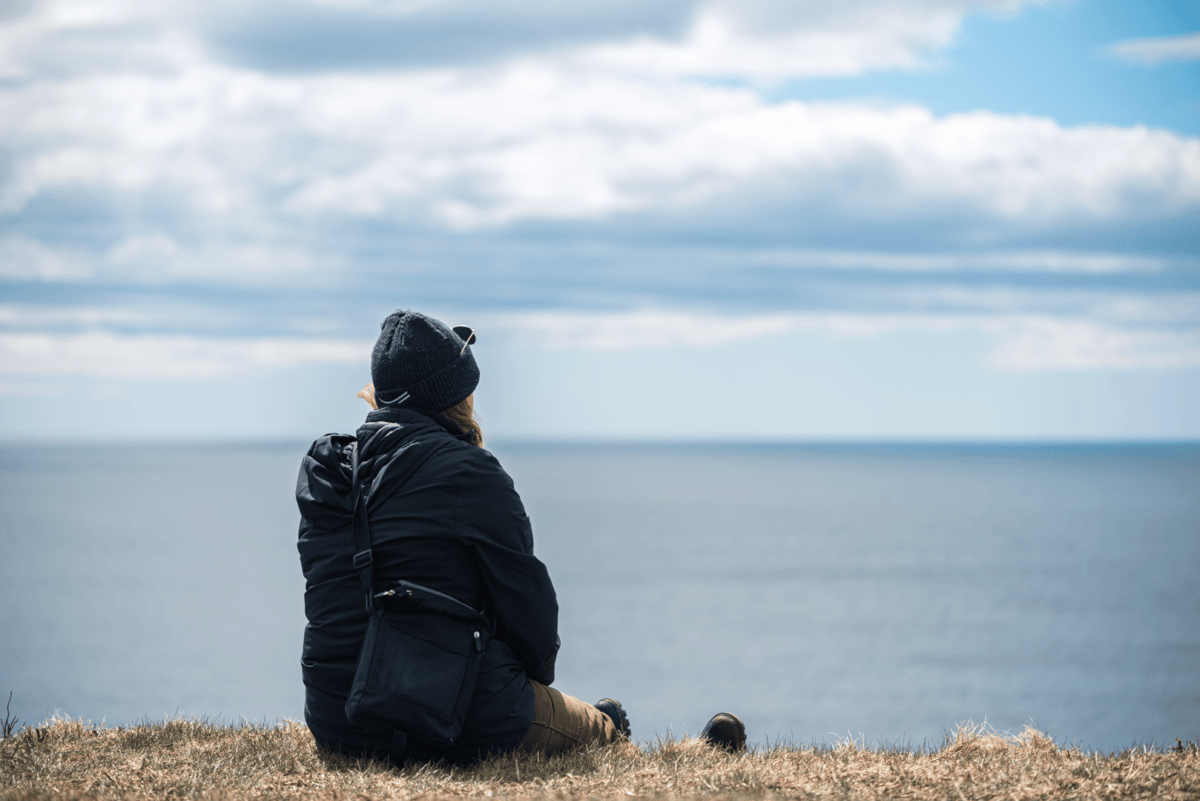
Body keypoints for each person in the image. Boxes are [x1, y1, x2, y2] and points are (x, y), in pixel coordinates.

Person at [296, 310, 745, 763]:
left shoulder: (326, 471)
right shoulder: (469, 474)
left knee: (569, 710)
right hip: (443, 717)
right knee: (597, 731)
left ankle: (587, 718)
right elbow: (530, 616)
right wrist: (531, 681)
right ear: (456, 396)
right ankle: (655, 744)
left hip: (337, 723)